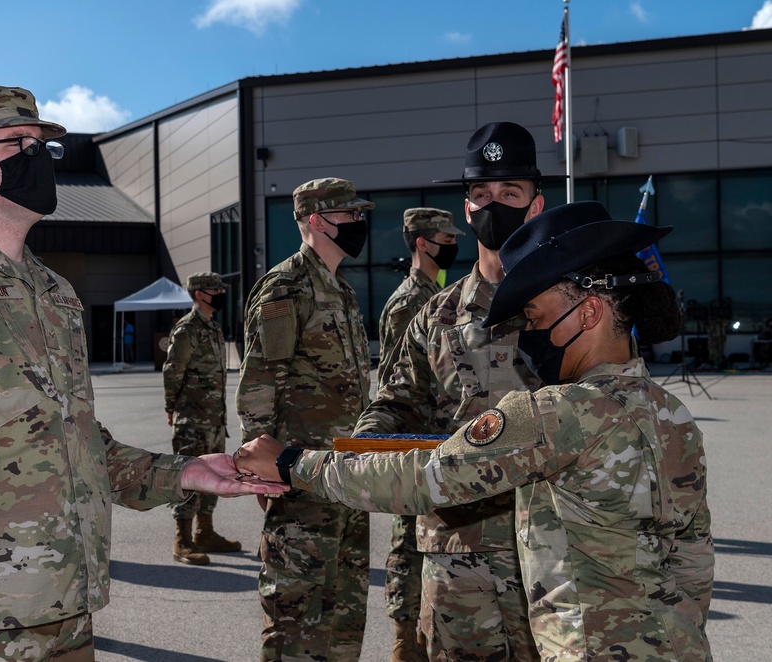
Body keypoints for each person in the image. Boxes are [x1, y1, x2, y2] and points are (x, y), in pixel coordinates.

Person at [0, 85, 285, 662]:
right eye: (18, 143)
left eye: (39, 145)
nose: (37, 157)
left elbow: (76, 441)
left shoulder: (53, 292)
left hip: (66, 607)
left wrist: (188, 473)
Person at [237, 200, 715, 662]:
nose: (530, 334)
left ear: (588, 313)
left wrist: (291, 462)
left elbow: (425, 477)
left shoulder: (554, 413)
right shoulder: (671, 414)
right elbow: (693, 563)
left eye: (536, 317)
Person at [356, 121, 558, 661]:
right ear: (468, 210)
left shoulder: (570, 304)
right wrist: (364, 446)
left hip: (557, 550)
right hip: (456, 556)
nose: (495, 205)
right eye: (482, 195)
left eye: (510, 193)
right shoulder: (435, 316)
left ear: (535, 206)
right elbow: (394, 403)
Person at [236, 177, 374, 661]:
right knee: (296, 614)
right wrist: (257, 459)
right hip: (299, 475)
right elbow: (258, 381)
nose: (360, 224)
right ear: (317, 221)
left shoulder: (340, 289)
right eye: (349, 216)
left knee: (343, 609)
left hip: (345, 473)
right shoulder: (287, 287)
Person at [375, 207, 463, 661]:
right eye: (446, 237)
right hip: (414, 441)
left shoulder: (440, 293)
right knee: (408, 543)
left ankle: (426, 631)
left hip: (440, 439)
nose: (453, 243)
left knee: (434, 541)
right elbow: (395, 383)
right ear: (423, 244)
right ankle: (403, 640)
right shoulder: (410, 301)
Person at [163, 271, 241, 565]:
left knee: (215, 475)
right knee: (189, 477)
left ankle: (204, 531)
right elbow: (173, 372)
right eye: (215, 289)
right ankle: (182, 539)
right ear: (199, 294)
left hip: (213, 419)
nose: (221, 293)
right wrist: (172, 409)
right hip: (192, 419)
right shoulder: (187, 329)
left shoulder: (213, 328)